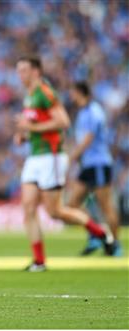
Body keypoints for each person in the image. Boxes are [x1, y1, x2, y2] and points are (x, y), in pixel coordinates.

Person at [14, 56, 115, 272]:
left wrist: (31, 129)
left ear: (36, 72)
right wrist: (24, 135)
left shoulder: (45, 92)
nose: (20, 75)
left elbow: (62, 121)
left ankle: (100, 232)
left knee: (55, 211)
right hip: (34, 156)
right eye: (18, 70)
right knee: (28, 207)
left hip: (51, 156)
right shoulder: (29, 96)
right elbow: (35, 124)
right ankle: (39, 261)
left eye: (23, 70)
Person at [67, 82, 122, 256]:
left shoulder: (93, 111)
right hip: (88, 164)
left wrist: (71, 157)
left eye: (72, 92)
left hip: (98, 163)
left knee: (105, 206)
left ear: (79, 92)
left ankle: (115, 245)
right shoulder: (84, 112)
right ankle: (96, 235)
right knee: (72, 204)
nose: (71, 96)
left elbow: (88, 139)